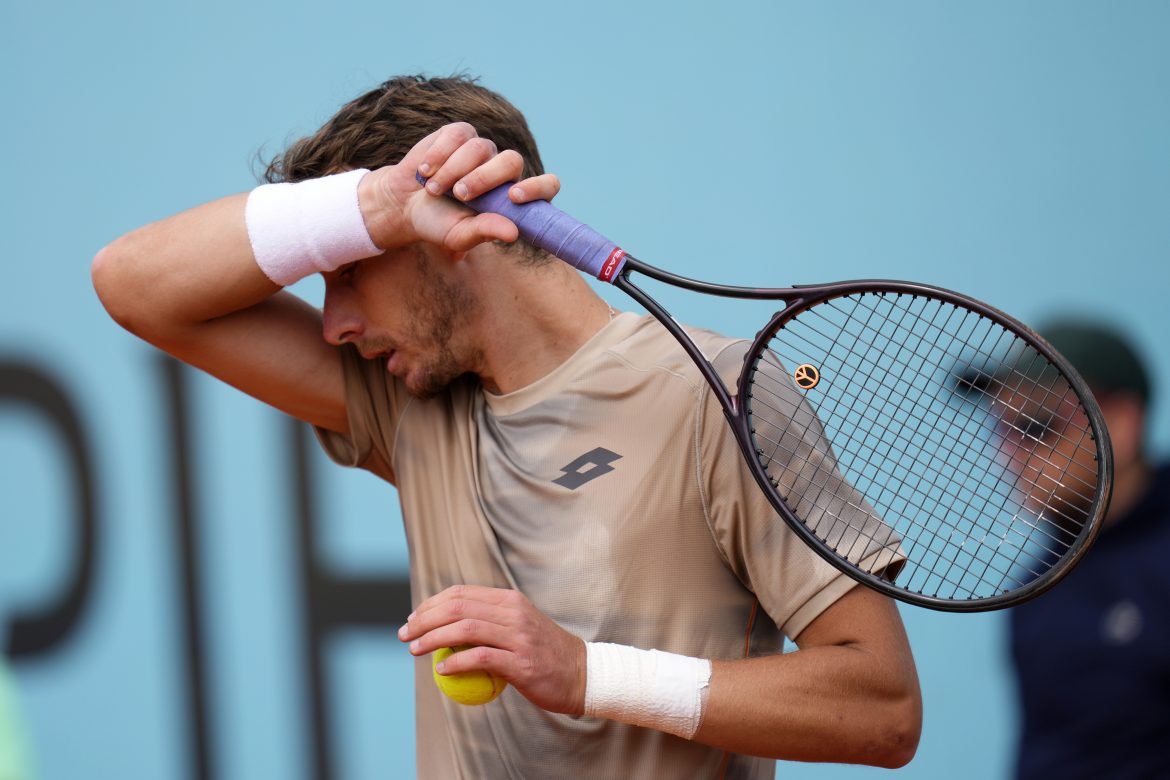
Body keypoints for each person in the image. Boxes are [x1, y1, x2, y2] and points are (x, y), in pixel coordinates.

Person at [92, 75, 921, 778]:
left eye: (347, 275)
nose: (333, 323)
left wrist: (588, 674)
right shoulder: (404, 399)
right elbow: (132, 284)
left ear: (460, 239)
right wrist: (377, 205)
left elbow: (882, 709)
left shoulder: (719, 395)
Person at [1008, 321, 1169, 780]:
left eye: (1036, 427)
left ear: (1119, 424)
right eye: (1003, 429)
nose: (1011, 454)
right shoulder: (1037, 584)